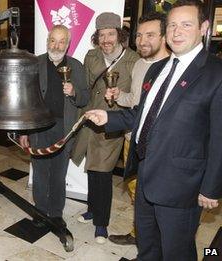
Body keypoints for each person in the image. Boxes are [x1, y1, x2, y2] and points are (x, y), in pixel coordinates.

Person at [85, 1, 222, 260]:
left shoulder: (216, 73)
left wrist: (212, 188)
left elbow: (220, 137)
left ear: (203, 28)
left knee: (176, 252)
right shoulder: (157, 69)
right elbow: (144, 114)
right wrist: (109, 117)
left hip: (181, 184)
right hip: (145, 172)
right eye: (171, 25)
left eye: (186, 25)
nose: (177, 31)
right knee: (147, 245)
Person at [70, 12, 140, 244]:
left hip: (113, 122)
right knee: (92, 167)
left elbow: (136, 97)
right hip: (90, 119)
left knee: (102, 171)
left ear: (119, 35)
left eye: (111, 34)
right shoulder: (92, 56)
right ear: (96, 37)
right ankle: (92, 209)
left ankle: (101, 223)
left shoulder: (134, 60)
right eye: (102, 35)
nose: (106, 39)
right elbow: (87, 88)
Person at [106, 12, 170, 246]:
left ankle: (159, 242)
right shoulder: (140, 64)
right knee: (136, 192)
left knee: (159, 198)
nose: (142, 41)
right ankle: (139, 235)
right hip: (131, 139)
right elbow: (134, 100)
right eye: (140, 35)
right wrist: (117, 95)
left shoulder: (173, 68)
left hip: (158, 145)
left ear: (164, 36)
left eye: (150, 35)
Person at [18, 25, 89, 228]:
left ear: (68, 44)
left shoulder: (76, 66)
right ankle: (40, 211)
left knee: (58, 174)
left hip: (64, 128)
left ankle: (56, 213)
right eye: (53, 40)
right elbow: (25, 101)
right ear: (47, 40)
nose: (56, 45)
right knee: (40, 173)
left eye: (61, 41)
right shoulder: (35, 63)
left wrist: (74, 91)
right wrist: (24, 131)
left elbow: (85, 98)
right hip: (39, 127)